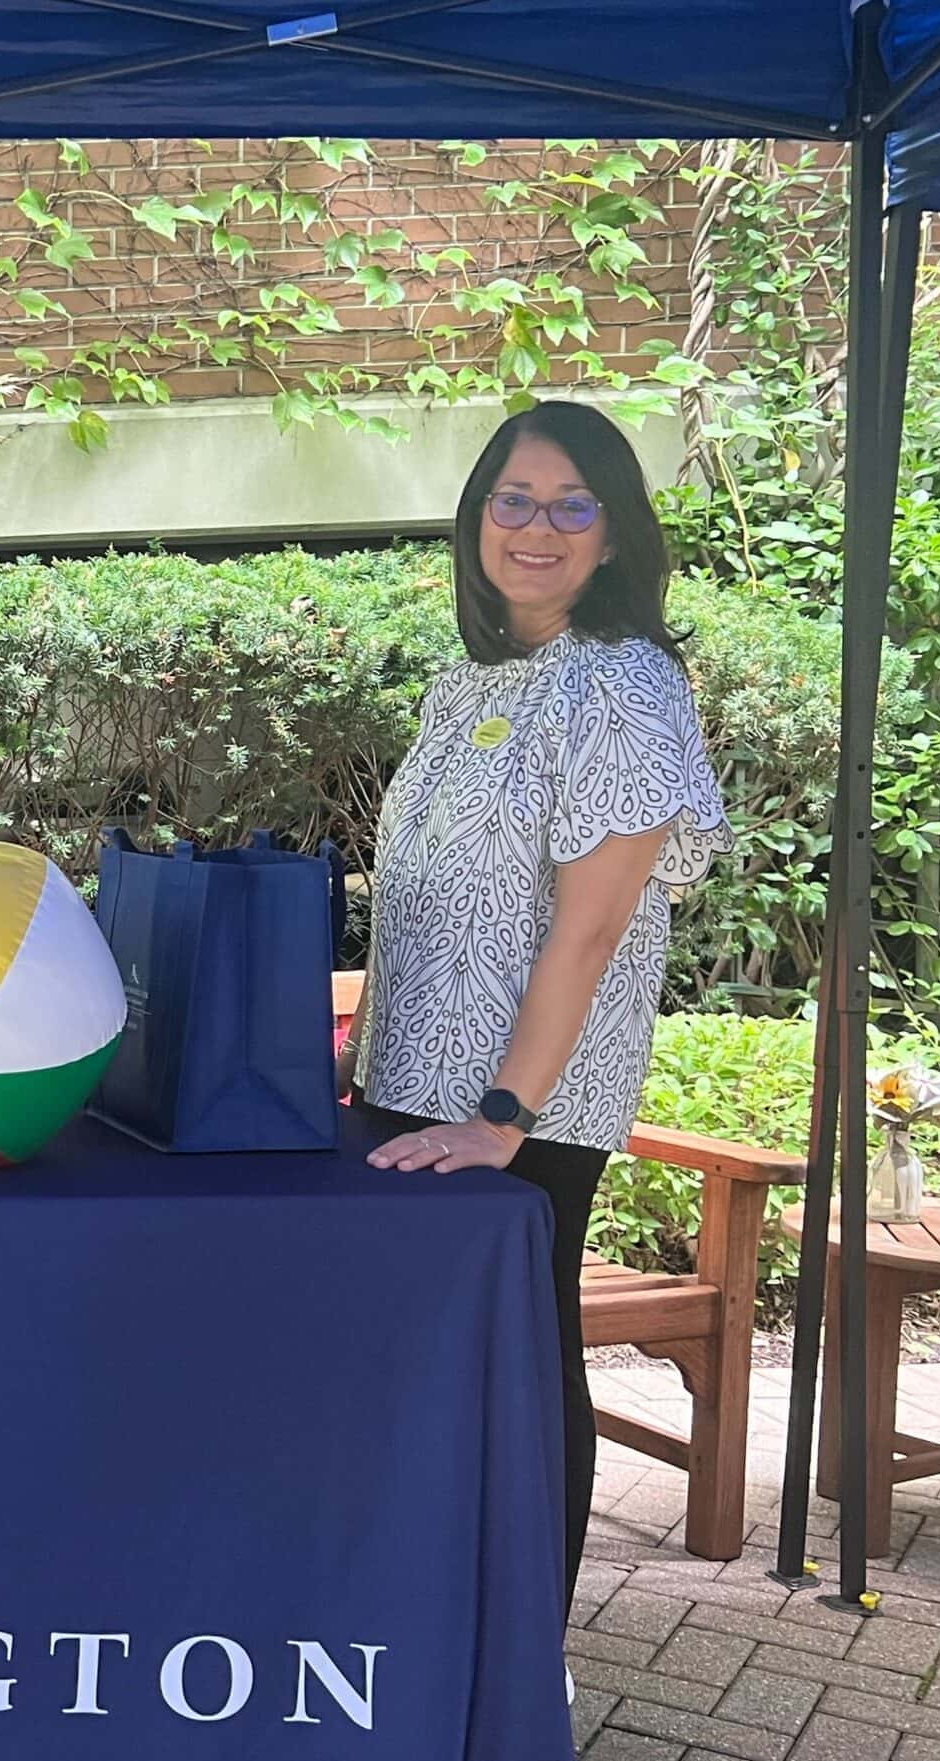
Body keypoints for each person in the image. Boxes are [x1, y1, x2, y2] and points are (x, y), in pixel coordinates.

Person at [342, 398, 730, 1603]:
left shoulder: (621, 686)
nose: (537, 527)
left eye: (573, 505)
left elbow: (594, 922)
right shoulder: (474, 686)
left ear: (613, 538)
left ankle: (524, 1661)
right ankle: (447, 1637)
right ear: (476, 521)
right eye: (513, 499)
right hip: (414, 1093)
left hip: (519, 1115)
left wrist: (503, 1113)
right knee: (441, 1372)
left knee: (515, 1366)